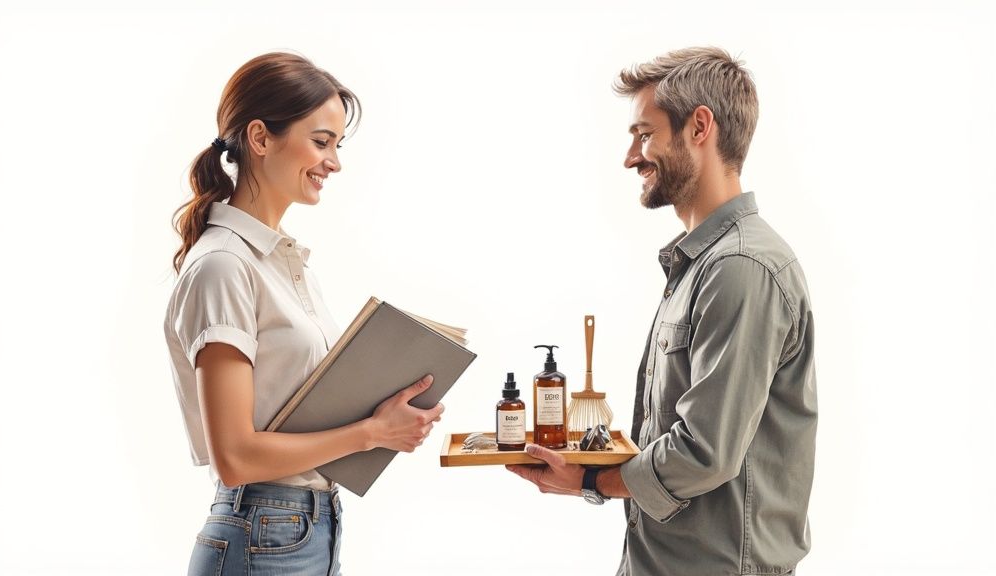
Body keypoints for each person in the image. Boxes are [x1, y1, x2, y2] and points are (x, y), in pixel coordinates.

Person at [507, 47, 817, 576]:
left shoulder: (740, 268)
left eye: (644, 134)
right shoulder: (700, 264)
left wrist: (590, 481)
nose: (631, 157)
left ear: (700, 127)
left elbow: (704, 451)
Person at [164, 52, 444, 576]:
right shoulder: (224, 265)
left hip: (307, 528)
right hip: (264, 534)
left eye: (337, 145)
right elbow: (235, 458)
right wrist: (372, 433)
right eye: (321, 142)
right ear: (260, 137)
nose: (333, 162)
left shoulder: (283, 264)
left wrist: (387, 417)